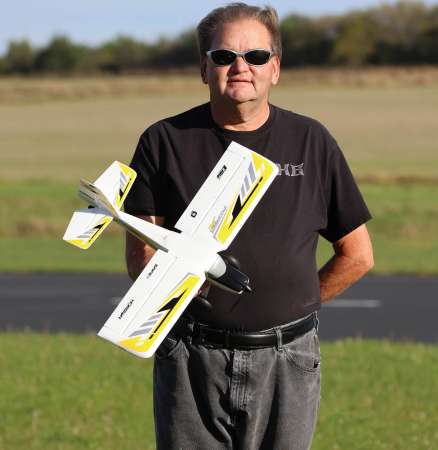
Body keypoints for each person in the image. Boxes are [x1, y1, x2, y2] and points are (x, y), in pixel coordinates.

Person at [124, 3, 374, 449]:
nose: (241, 67)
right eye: (224, 57)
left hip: (289, 359)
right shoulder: (163, 141)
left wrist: (293, 306)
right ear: (204, 68)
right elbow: (141, 251)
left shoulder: (311, 141)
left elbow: (358, 255)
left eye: (256, 56)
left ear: (275, 68)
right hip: (191, 357)